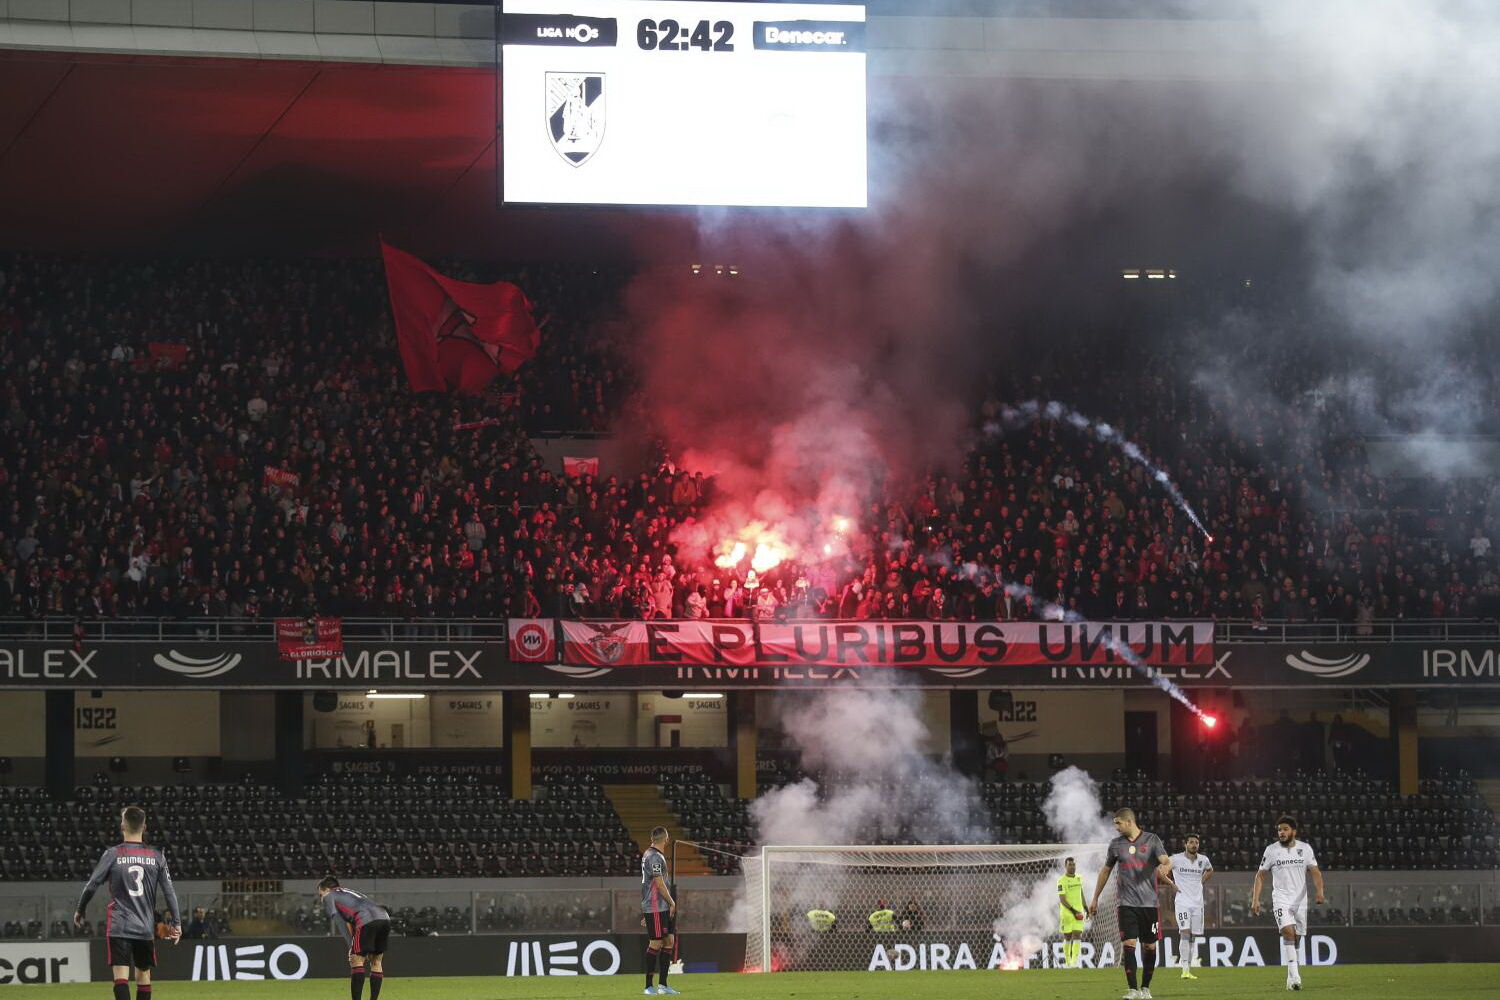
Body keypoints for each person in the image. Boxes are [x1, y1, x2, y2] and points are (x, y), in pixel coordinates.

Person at [74, 806, 183, 1000]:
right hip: (145, 927)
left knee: (120, 977)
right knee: (143, 976)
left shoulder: (113, 854)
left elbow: (91, 885)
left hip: (119, 926)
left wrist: (80, 909)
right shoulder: (157, 856)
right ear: (145, 827)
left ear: (122, 826)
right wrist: (177, 922)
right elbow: (169, 892)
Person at [1088, 807, 1171, 1000]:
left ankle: (1145, 988)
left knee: (1150, 947)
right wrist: (1095, 898)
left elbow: (1165, 860)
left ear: (1129, 822)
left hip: (1150, 905)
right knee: (1129, 943)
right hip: (1126, 904)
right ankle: (1133, 990)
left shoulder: (1152, 840)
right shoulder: (1116, 844)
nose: (1116, 827)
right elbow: (1105, 871)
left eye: (1118, 823)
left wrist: (1166, 866)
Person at [1251, 816, 1325, 992]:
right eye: (1279, 830)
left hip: (1300, 900)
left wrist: (1320, 891)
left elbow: (1315, 871)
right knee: (1288, 932)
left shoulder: (1305, 849)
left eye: (1285, 829)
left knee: (1297, 937)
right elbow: (1260, 875)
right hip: (1281, 899)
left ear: (1294, 831)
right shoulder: (1271, 850)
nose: (1281, 832)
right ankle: (1296, 977)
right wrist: (1255, 899)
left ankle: (1290, 977)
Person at [317, 876, 391, 1000]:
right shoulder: (350, 893)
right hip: (384, 918)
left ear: (326, 889)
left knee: (356, 959)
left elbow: (340, 920)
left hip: (366, 920)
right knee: (376, 961)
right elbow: (351, 918)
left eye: (320, 894)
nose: (321, 898)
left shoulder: (329, 896)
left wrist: (351, 946)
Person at [641, 826, 679, 995]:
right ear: (666, 839)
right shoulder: (654, 857)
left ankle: (663, 985)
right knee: (656, 943)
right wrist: (671, 901)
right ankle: (648, 986)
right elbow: (658, 882)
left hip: (660, 906)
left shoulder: (652, 855)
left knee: (669, 941)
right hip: (656, 905)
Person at [1169, 833, 1213, 978]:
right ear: (1185, 844)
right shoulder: (1176, 859)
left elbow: (1210, 870)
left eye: (1196, 843)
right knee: (1185, 932)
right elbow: (1161, 870)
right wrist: (1172, 884)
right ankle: (1184, 969)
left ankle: (1188, 968)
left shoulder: (1203, 860)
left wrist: (1201, 881)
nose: (1194, 845)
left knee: (1193, 936)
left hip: (1197, 904)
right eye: (1191, 842)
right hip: (1182, 902)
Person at [1057, 856, 1086, 969]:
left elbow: (1081, 893)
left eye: (1073, 865)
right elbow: (1062, 900)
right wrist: (1074, 911)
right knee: (1068, 937)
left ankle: (1074, 962)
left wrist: (1086, 908)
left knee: (1077, 935)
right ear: (1065, 866)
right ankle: (1068, 962)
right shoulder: (1061, 880)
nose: (1072, 867)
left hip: (1079, 913)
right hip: (1067, 914)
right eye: (1070, 865)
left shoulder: (1079, 878)